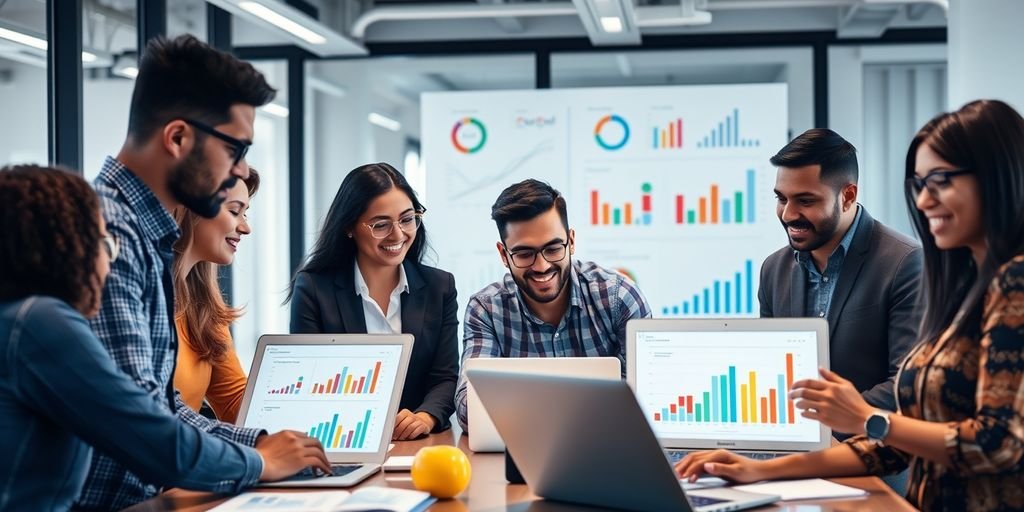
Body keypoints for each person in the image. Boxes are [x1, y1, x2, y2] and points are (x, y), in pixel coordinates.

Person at [676, 99, 1024, 512]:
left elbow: (999, 444)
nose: (925, 201)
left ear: (996, 178)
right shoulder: (963, 284)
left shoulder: (1008, 281)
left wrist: (865, 418)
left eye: (941, 181)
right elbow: (897, 442)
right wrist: (759, 469)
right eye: (918, 185)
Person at [0, 165, 330, 510]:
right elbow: (145, 429)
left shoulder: (24, 318)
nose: (108, 263)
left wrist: (264, 447)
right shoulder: (40, 322)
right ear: (65, 249)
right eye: (106, 245)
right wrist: (261, 461)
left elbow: (160, 411)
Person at [76, 35, 308, 511]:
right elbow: (138, 422)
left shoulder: (146, 236)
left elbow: (162, 404)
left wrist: (261, 443)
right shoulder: (106, 236)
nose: (240, 168)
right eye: (235, 149)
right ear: (178, 138)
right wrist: (259, 462)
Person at [455, 179, 653, 430]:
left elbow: (651, 392)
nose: (542, 266)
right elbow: (466, 407)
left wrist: (526, 408)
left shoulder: (618, 296)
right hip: (518, 459)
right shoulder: (486, 310)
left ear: (571, 242)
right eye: (524, 254)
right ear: (504, 255)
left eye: (553, 248)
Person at [759, 128, 922, 419]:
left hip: (870, 452)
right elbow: (773, 374)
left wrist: (827, 427)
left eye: (805, 201)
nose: (787, 214)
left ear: (847, 196)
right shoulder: (773, 271)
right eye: (781, 198)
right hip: (795, 453)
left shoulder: (905, 263)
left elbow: (905, 384)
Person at [289, 163, 457, 440]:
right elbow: (310, 384)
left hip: (415, 445)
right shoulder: (313, 289)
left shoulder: (440, 287)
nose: (398, 234)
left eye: (407, 219)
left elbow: (445, 377)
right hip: (342, 437)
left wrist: (425, 417)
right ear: (349, 227)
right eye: (381, 225)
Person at [172, 169, 259, 423]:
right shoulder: (146, 297)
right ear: (193, 209)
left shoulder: (204, 310)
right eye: (234, 212)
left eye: (245, 214)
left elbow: (233, 402)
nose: (245, 227)